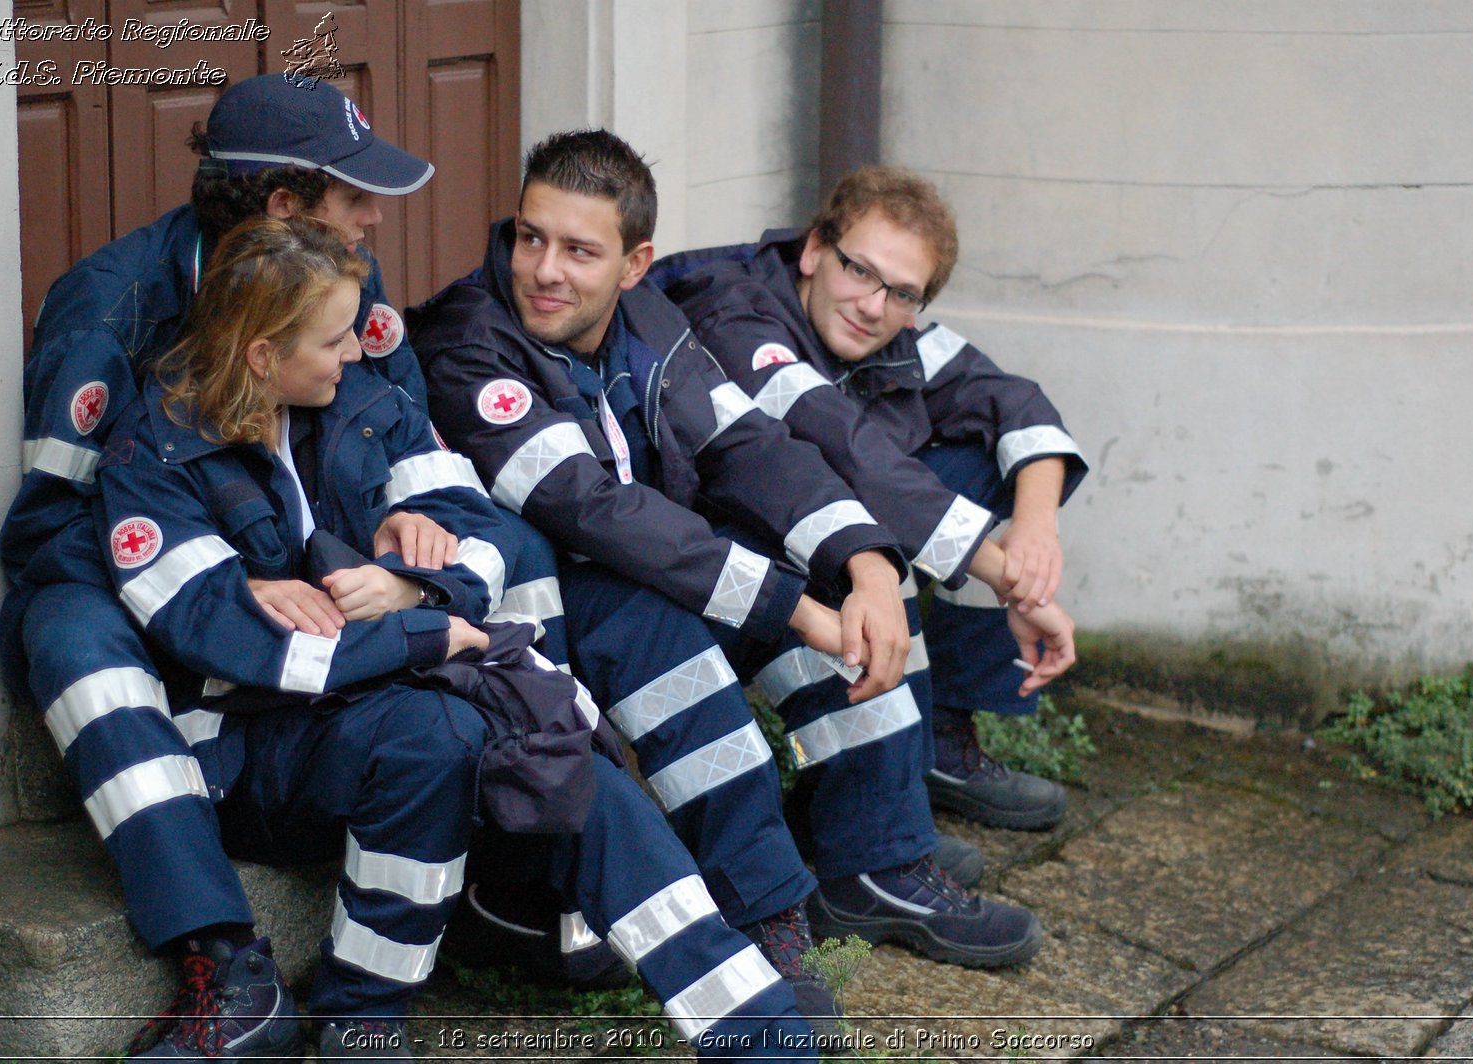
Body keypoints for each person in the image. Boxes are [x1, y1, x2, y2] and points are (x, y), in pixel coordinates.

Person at [97, 215, 819, 1061]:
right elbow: (243, 645)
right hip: (255, 746)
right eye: (332, 340)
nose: (354, 353)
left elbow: (486, 537)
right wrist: (427, 634)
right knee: (437, 737)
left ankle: (754, 1030)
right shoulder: (156, 455)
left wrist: (414, 586)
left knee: (559, 755)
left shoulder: (360, 402)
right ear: (261, 355)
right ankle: (359, 1011)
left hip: (400, 692)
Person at [410, 131, 1077, 1009]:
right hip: (551, 590)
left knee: (836, 590)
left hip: (659, 557)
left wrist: (866, 561)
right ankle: (764, 917)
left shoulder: (648, 319)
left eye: (579, 250)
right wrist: (792, 608)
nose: (544, 269)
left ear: (634, 263)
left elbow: (748, 447)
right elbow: (588, 510)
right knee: (676, 649)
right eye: (530, 237)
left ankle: (877, 862)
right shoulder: (470, 335)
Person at [0, 74, 563, 1056]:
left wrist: (417, 543)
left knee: (516, 544)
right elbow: (46, 527)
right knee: (64, 623)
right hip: (164, 583)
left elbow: (402, 438)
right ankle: (225, 958)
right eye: (353, 197)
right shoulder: (109, 306)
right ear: (284, 206)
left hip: (319, 592)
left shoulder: (340, 273)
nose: (375, 219)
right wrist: (208, 571)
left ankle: (520, 832)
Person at [660, 167, 1089, 832]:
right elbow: (838, 443)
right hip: (698, 555)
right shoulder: (732, 307)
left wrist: (1036, 529)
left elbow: (1017, 402)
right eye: (859, 271)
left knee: (981, 466)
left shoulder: (895, 333)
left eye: (900, 293)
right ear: (813, 250)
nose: (872, 305)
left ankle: (936, 735)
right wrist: (1016, 584)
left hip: (817, 526)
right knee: (868, 513)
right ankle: (868, 814)